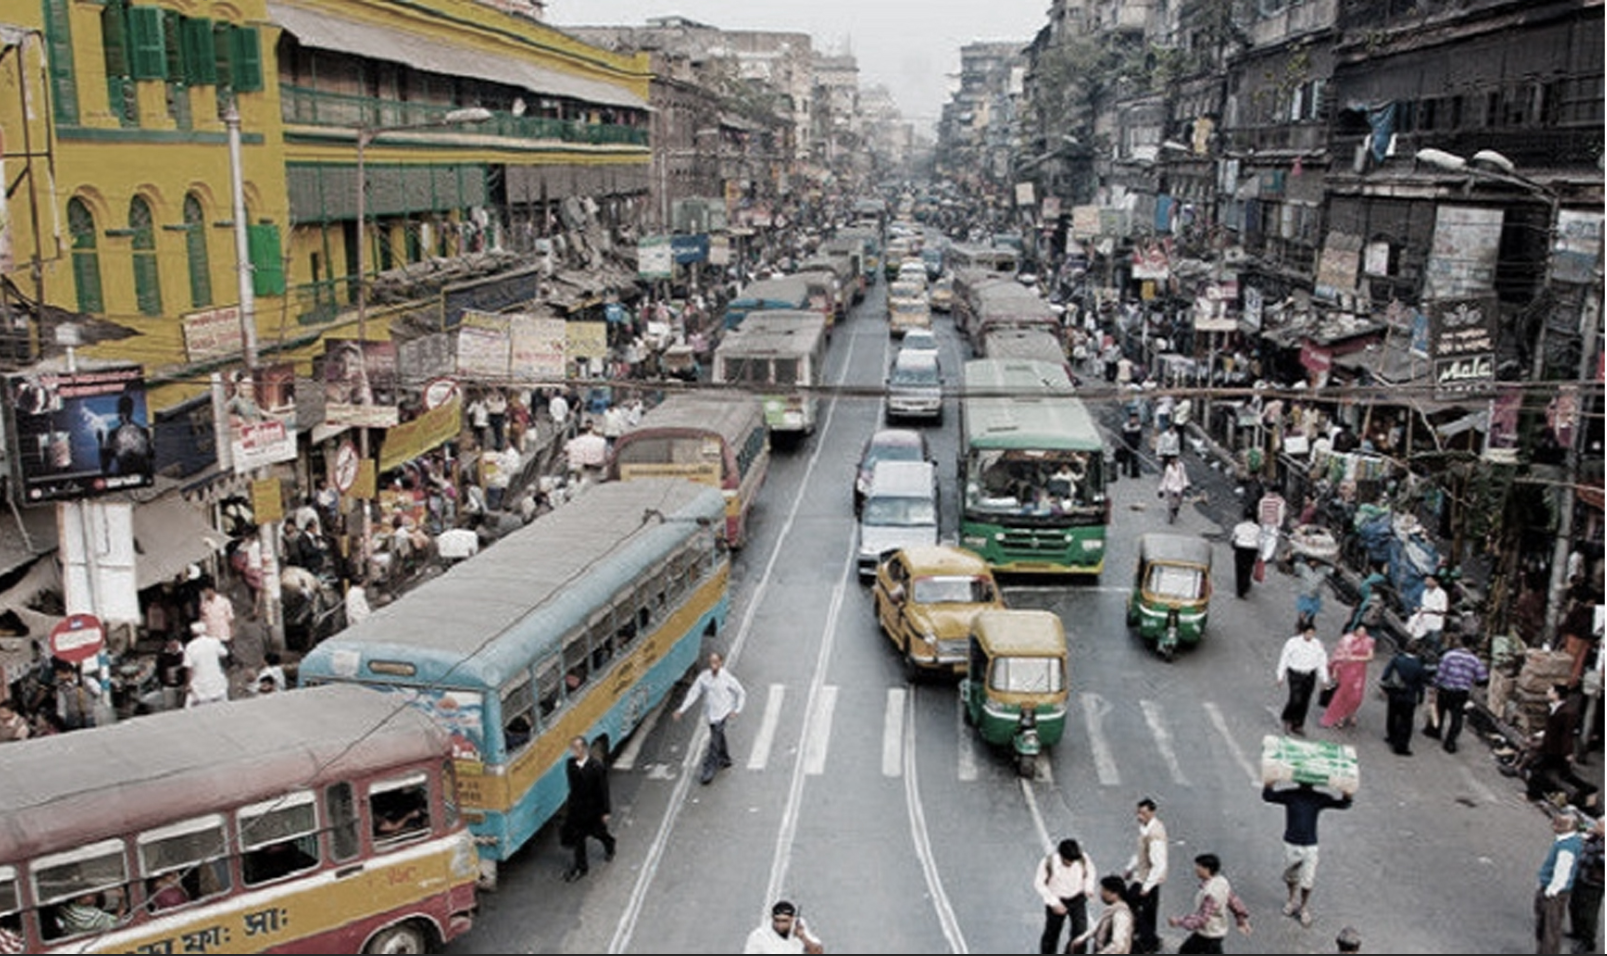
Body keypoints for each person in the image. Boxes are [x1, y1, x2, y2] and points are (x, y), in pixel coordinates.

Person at [1261, 781, 1352, 928]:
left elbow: (1343, 804)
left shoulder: (1316, 797)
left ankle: (1303, 907)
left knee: (1307, 881)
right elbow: (1268, 796)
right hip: (1291, 843)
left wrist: (1348, 795)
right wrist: (1269, 784)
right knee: (1292, 877)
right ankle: (1291, 900)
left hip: (1310, 845)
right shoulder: (1293, 795)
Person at [673, 652, 746, 784]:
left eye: (715, 662)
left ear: (721, 662)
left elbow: (741, 693)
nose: (713, 665)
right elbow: (693, 693)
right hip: (710, 714)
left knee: (714, 741)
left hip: (723, 713)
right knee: (718, 736)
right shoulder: (704, 677)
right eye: (711, 662)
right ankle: (725, 759)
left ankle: (708, 770)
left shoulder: (727, 678)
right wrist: (682, 709)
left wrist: (737, 710)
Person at [1167, 853, 1251, 953]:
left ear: (1207, 869)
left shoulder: (1210, 893)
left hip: (1208, 934)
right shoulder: (1222, 882)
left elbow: (1202, 918)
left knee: (1186, 951)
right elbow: (1233, 901)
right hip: (1217, 931)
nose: (1196, 869)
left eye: (1198, 867)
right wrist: (1241, 919)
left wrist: (1179, 921)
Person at [560, 735, 615, 882]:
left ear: (585, 748)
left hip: (593, 811)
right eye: (572, 748)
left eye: (577, 748)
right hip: (577, 810)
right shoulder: (570, 764)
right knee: (579, 840)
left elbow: (603, 790)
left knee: (598, 833)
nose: (574, 751)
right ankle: (581, 868)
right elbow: (573, 787)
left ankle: (609, 843)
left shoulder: (596, 767)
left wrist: (605, 811)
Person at [1422, 634, 1488, 753]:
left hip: (1445, 689)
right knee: (1456, 718)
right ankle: (1450, 742)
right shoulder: (1475, 660)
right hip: (1461, 692)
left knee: (1439, 711)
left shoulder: (1449, 656)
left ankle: (1435, 731)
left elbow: (1440, 673)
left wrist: (1434, 686)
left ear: (1460, 642)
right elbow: (1482, 678)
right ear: (1471, 646)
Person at [1036, 837, 1098, 953]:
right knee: (1052, 933)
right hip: (1057, 900)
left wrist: (1088, 888)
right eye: (1067, 860)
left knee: (1080, 932)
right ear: (1060, 855)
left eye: (1073, 860)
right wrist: (1054, 903)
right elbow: (1039, 883)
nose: (1070, 863)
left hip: (1077, 898)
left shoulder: (1082, 859)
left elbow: (1090, 872)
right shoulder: (1048, 863)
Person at [1123, 797, 1169, 954]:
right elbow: (1141, 853)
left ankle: (1148, 939)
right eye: (1138, 812)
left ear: (1152, 812)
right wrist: (1130, 868)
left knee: (1129, 903)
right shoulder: (1146, 829)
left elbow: (1159, 863)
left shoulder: (1155, 834)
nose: (1139, 816)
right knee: (1148, 912)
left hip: (1147, 879)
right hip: (1143, 877)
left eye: (1143, 813)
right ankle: (1148, 940)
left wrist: (1147, 886)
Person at [1537, 811, 1586, 955]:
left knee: (1549, 928)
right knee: (1549, 926)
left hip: (1555, 892)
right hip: (1557, 890)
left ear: (1569, 826)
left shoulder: (1566, 847)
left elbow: (1561, 873)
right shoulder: (1572, 840)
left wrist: (1550, 891)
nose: (1553, 825)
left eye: (1558, 823)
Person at [1277, 623, 1329, 737]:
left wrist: (1324, 678)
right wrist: (1280, 675)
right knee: (1295, 699)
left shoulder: (1317, 645)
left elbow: (1321, 662)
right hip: (1295, 673)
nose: (1310, 635)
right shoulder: (1292, 643)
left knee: (1305, 700)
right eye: (1308, 633)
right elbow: (1284, 658)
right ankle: (1287, 718)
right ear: (1303, 632)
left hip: (1309, 674)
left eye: (1312, 633)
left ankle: (1298, 724)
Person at [1320, 624, 1376, 730]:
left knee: (1356, 696)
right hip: (1346, 670)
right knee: (1343, 694)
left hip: (1359, 672)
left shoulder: (1369, 641)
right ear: (1355, 631)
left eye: (1364, 631)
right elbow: (1339, 655)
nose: (1362, 633)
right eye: (1360, 631)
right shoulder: (1347, 640)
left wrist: (1356, 658)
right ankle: (1339, 716)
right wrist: (1335, 670)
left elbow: (1370, 656)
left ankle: (1350, 712)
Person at [1380, 640, 1430, 756]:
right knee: (1406, 721)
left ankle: (1391, 736)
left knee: (1392, 714)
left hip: (1395, 692)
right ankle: (1401, 746)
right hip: (1409, 695)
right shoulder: (1419, 665)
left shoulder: (1397, 659)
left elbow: (1386, 674)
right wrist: (1421, 697)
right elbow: (1421, 683)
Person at [1072, 875, 1135, 955]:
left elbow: (1118, 946)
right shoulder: (1111, 910)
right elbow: (1098, 925)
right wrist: (1082, 938)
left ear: (1115, 893)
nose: (1101, 894)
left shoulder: (1121, 914)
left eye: (1103, 890)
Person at [1570, 816, 1604, 954]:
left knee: (1588, 912)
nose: (1595, 826)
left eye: (1599, 825)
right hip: (1582, 875)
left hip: (1594, 882)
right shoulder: (1595, 837)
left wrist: (1595, 851)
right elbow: (1581, 829)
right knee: (1574, 904)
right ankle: (1577, 931)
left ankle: (1588, 941)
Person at [743, 900, 824, 954]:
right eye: (777, 920)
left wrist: (803, 937)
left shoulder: (798, 927)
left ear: (792, 919)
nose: (780, 925)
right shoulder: (758, 936)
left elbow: (818, 952)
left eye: (784, 921)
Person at [182, 621, 230, 708]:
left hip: (200, 683)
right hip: (216, 680)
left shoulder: (190, 646)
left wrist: (188, 684)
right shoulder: (214, 642)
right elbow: (224, 654)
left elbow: (189, 667)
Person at [1412, 574, 1450, 659]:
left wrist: (1429, 610)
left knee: (1434, 641)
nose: (1427, 582)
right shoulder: (1425, 592)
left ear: (1436, 582)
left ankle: (1432, 658)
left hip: (1435, 620)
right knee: (1421, 639)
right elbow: (1423, 605)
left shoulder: (1441, 594)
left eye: (1429, 580)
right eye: (1426, 581)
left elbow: (1443, 609)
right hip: (1424, 619)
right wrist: (1420, 609)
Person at [1230, 511, 1261, 600]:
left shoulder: (1238, 526)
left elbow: (1233, 538)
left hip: (1240, 548)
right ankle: (1245, 585)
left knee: (1239, 569)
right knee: (1248, 568)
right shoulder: (1257, 528)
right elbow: (1260, 541)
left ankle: (1239, 590)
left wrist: (1233, 546)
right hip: (1252, 549)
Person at [1158, 456, 1189, 525]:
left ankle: (1175, 510)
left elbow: (1183, 476)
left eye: (1175, 459)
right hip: (1171, 488)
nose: (1173, 460)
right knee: (1171, 503)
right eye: (1172, 459)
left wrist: (1186, 484)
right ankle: (1171, 517)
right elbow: (1165, 479)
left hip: (1180, 488)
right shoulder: (1168, 468)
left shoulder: (1181, 466)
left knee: (1178, 503)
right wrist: (1161, 489)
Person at [1120, 409, 1145, 479]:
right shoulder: (1125, 426)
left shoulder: (1138, 427)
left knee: (1134, 460)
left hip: (1134, 446)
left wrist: (1137, 444)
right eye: (1133, 418)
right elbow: (1122, 435)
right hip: (1126, 444)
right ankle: (1124, 471)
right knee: (1125, 459)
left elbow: (1139, 437)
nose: (1134, 419)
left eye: (1135, 418)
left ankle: (1134, 473)